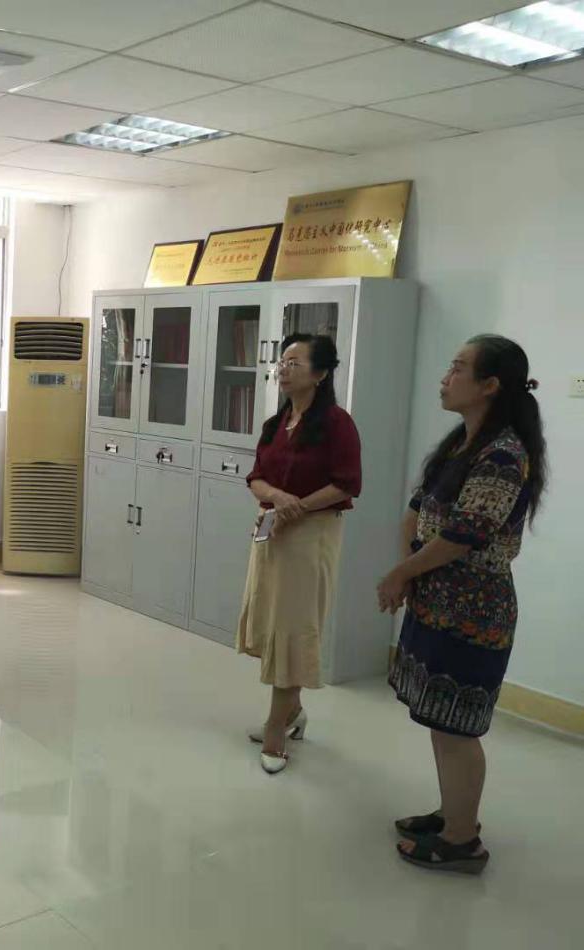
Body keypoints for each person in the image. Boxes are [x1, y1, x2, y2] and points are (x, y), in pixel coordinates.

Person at [379, 335, 546, 875]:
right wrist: (408, 565)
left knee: (458, 727)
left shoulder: (503, 455)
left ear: (490, 385)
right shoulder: (463, 442)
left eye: (457, 368)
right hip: (437, 602)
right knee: (441, 720)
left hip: (473, 613)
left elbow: (464, 536)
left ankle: (461, 841)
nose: (445, 377)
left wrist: (402, 572)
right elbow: (418, 507)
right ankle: (455, 814)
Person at [237, 334, 362, 774]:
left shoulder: (337, 424)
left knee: (293, 627)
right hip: (273, 531)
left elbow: (347, 483)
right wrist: (277, 497)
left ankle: (277, 730)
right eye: (282, 362)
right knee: (272, 622)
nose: (283, 369)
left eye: (295, 362)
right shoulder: (277, 423)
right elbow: (255, 477)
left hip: (311, 535)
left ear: (321, 373)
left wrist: (297, 507)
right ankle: (293, 713)